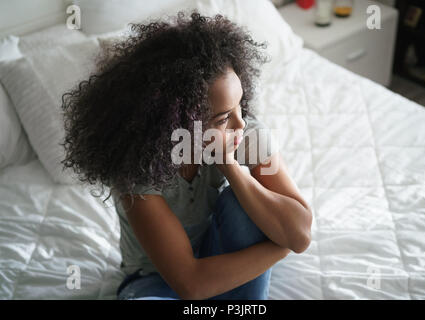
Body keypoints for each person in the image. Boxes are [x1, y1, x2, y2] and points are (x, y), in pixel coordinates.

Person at [60, 9, 313, 300]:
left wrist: (229, 165)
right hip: (154, 280)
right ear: (175, 123)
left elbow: (301, 233)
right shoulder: (136, 168)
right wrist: (279, 248)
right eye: (222, 118)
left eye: (240, 105)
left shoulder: (248, 135)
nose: (240, 123)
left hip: (219, 256)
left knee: (242, 204)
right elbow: (191, 285)